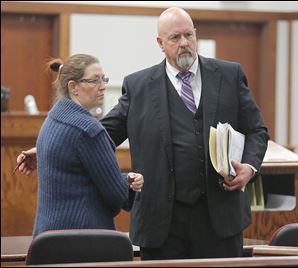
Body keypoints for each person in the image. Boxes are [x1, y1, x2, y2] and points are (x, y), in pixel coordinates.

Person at [17, 8, 269, 259]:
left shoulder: (229, 75)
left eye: (188, 35)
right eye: (174, 38)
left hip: (219, 221)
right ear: (160, 43)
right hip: (161, 224)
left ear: (196, 34)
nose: (184, 44)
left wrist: (249, 166)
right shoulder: (138, 86)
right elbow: (101, 134)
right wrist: (52, 149)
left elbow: (257, 130)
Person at [18, 54, 143, 238]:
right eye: (94, 81)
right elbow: (117, 195)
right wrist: (129, 181)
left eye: (103, 79)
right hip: (83, 239)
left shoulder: (54, 116)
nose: (103, 86)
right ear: (73, 87)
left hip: (49, 238)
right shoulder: (89, 130)